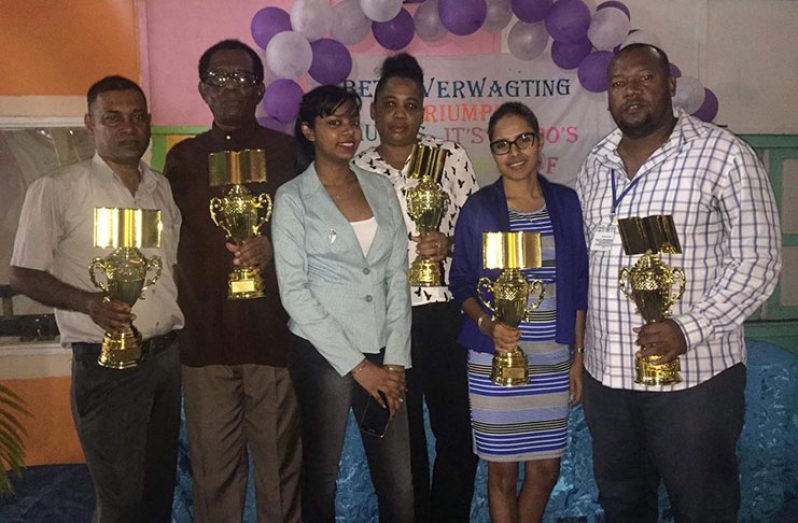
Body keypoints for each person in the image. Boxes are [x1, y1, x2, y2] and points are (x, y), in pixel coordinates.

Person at [575, 44, 782, 521]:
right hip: (609, 378)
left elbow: (758, 263)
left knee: (702, 502)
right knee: (623, 502)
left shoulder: (724, 155)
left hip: (696, 377)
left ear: (669, 84)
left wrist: (686, 329)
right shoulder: (596, 163)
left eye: (644, 78)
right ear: (608, 97)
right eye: (619, 83)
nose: (632, 91)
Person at [9, 76, 184, 522]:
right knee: (121, 499)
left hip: (166, 361)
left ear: (148, 124)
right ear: (90, 123)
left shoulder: (160, 189)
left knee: (157, 491)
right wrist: (89, 303)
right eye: (113, 118)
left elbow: (172, 271)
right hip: (105, 366)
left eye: (137, 117)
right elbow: (23, 274)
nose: (128, 127)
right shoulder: (58, 189)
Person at [163, 39, 300, 522]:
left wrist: (273, 248)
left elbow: (318, 239)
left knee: (280, 479)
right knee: (213, 478)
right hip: (205, 342)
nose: (231, 88)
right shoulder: (182, 160)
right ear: (203, 90)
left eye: (242, 78)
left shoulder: (290, 154)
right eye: (219, 79)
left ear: (260, 89)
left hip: (274, 339)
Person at [272, 85, 413, 522]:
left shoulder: (380, 188)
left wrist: (394, 362)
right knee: (321, 478)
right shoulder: (293, 198)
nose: (348, 132)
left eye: (352, 121)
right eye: (334, 123)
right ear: (308, 131)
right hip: (323, 354)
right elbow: (294, 292)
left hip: (383, 348)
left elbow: (395, 277)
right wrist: (360, 367)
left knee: (401, 487)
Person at [353, 52, 479, 522]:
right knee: (403, 442)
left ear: (424, 110)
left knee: (457, 436)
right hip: (385, 322)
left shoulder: (449, 158)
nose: (400, 115)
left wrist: (447, 243)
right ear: (374, 111)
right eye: (390, 104)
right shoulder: (356, 170)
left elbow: (478, 234)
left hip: (442, 315)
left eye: (410, 105)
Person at [449, 102, 588, 523]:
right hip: (495, 361)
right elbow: (461, 284)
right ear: (493, 152)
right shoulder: (480, 209)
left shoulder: (565, 203)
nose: (514, 152)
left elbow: (578, 285)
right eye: (502, 145)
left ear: (538, 141)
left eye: (522, 139)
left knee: (546, 470)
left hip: (551, 357)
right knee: (503, 474)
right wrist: (488, 324)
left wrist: (577, 357)